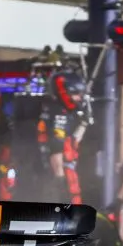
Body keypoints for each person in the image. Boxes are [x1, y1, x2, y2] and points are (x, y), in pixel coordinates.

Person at [36, 70, 87, 204]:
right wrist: (60, 180)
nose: (79, 98)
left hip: (55, 171)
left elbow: (72, 140)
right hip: (60, 172)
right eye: (75, 94)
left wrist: (83, 123)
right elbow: (56, 147)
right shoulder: (59, 114)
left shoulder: (55, 110)